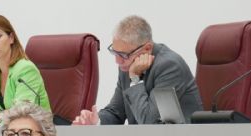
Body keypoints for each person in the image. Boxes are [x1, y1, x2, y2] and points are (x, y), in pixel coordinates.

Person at [73, 15, 202, 125]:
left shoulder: (169, 66)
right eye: (115, 52)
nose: (117, 61)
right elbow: (116, 112)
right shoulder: (126, 66)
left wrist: (134, 78)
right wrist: (96, 121)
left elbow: (149, 123)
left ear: (147, 48)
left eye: (123, 55)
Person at [0, 15, 51, 126]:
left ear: (11, 38)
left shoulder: (26, 69)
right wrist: (0, 115)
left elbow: (19, 117)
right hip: (10, 135)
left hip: (40, 134)